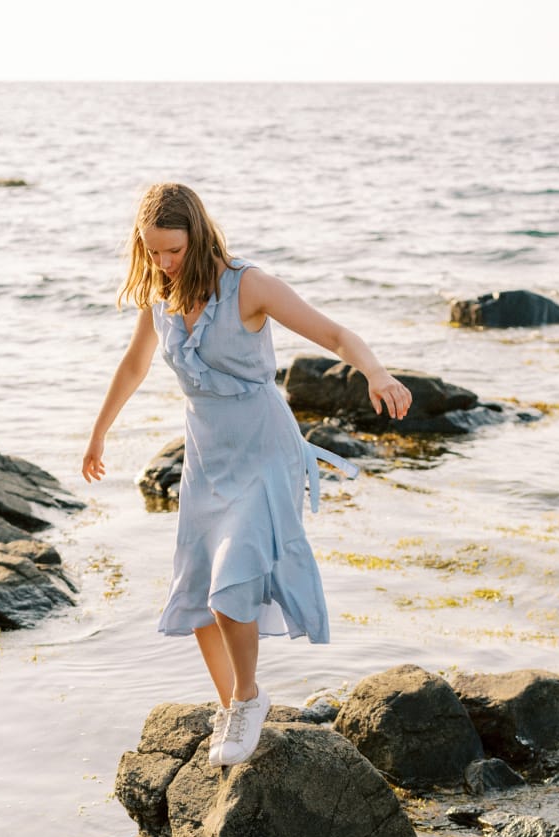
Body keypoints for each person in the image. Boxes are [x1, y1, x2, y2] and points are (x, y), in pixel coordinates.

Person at [83, 182, 411, 768]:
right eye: (152, 251)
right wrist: (99, 431)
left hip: (263, 448)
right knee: (200, 595)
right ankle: (231, 708)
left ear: (199, 235)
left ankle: (248, 696)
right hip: (207, 456)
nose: (162, 262)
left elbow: (334, 334)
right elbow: (134, 364)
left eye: (173, 251)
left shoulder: (248, 284)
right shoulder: (158, 293)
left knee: (232, 584)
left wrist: (377, 374)